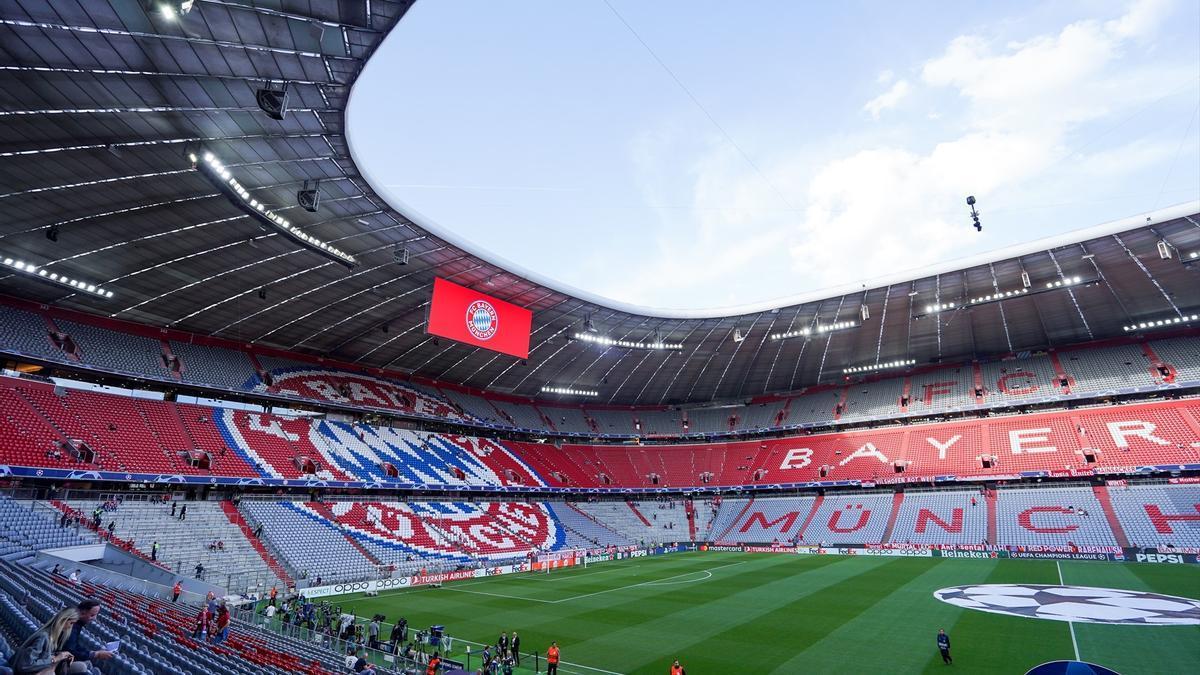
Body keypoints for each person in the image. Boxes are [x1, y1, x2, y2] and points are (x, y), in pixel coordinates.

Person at [12, 607, 77, 675]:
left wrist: (61, 655)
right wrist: (54, 659)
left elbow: (43, 656)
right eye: (71, 623)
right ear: (63, 620)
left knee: (81, 667)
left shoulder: (53, 635)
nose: (70, 627)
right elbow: (25, 665)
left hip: (42, 670)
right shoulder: (43, 637)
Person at [64, 599, 114, 673]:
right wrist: (96, 654)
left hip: (61, 656)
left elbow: (74, 646)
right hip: (55, 661)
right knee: (82, 667)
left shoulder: (77, 623)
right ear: (82, 613)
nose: (94, 618)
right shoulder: (72, 625)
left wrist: (93, 653)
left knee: (86, 663)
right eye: (92, 615)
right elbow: (70, 650)